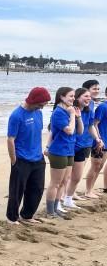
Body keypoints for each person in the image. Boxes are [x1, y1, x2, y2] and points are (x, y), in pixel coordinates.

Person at [6, 87, 51, 225]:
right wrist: (14, 159)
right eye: (40, 104)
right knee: (17, 191)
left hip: (37, 158)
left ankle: (27, 215)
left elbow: (36, 133)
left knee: (37, 189)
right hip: (21, 159)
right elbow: (10, 139)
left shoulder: (38, 113)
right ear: (33, 100)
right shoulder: (17, 115)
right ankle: (12, 218)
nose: (42, 107)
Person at [45, 87, 83, 217]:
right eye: (70, 96)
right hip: (58, 150)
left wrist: (78, 117)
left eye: (74, 96)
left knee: (64, 181)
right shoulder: (59, 112)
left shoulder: (69, 110)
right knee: (55, 183)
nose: (73, 98)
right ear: (61, 97)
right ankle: (50, 210)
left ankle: (56, 208)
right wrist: (72, 115)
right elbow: (69, 130)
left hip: (69, 149)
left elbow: (79, 131)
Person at [64, 88, 102, 208]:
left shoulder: (89, 111)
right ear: (78, 97)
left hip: (82, 145)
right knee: (65, 175)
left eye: (89, 97)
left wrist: (97, 138)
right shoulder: (69, 110)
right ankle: (62, 197)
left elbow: (91, 126)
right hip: (69, 145)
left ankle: (68, 198)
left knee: (77, 176)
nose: (88, 99)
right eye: (86, 96)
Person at [85, 86, 107, 196]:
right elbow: (94, 124)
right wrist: (99, 139)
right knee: (96, 165)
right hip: (99, 141)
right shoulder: (103, 107)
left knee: (100, 166)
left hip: (105, 141)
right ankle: (88, 191)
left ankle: (91, 189)